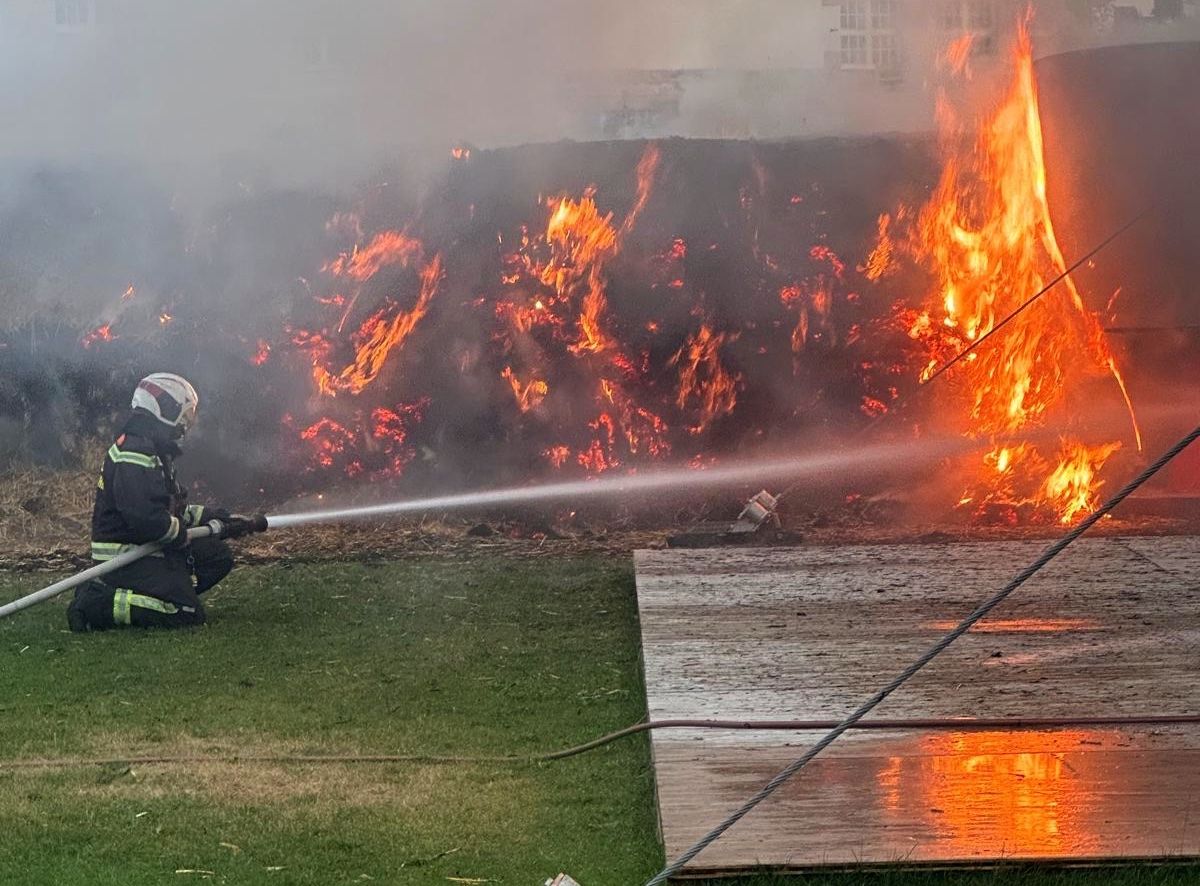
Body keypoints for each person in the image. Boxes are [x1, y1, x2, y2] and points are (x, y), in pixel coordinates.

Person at [67, 373, 260, 632]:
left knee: (217, 556)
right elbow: (144, 518)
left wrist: (216, 517)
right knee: (185, 612)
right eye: (184, 413)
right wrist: (181, 534)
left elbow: (167, 509)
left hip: (149, 548)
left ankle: (167, 589)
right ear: (163, 408)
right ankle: (98, 602)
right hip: (126, 557)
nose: (185, 423)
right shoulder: (135, 453)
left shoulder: (153, 449)